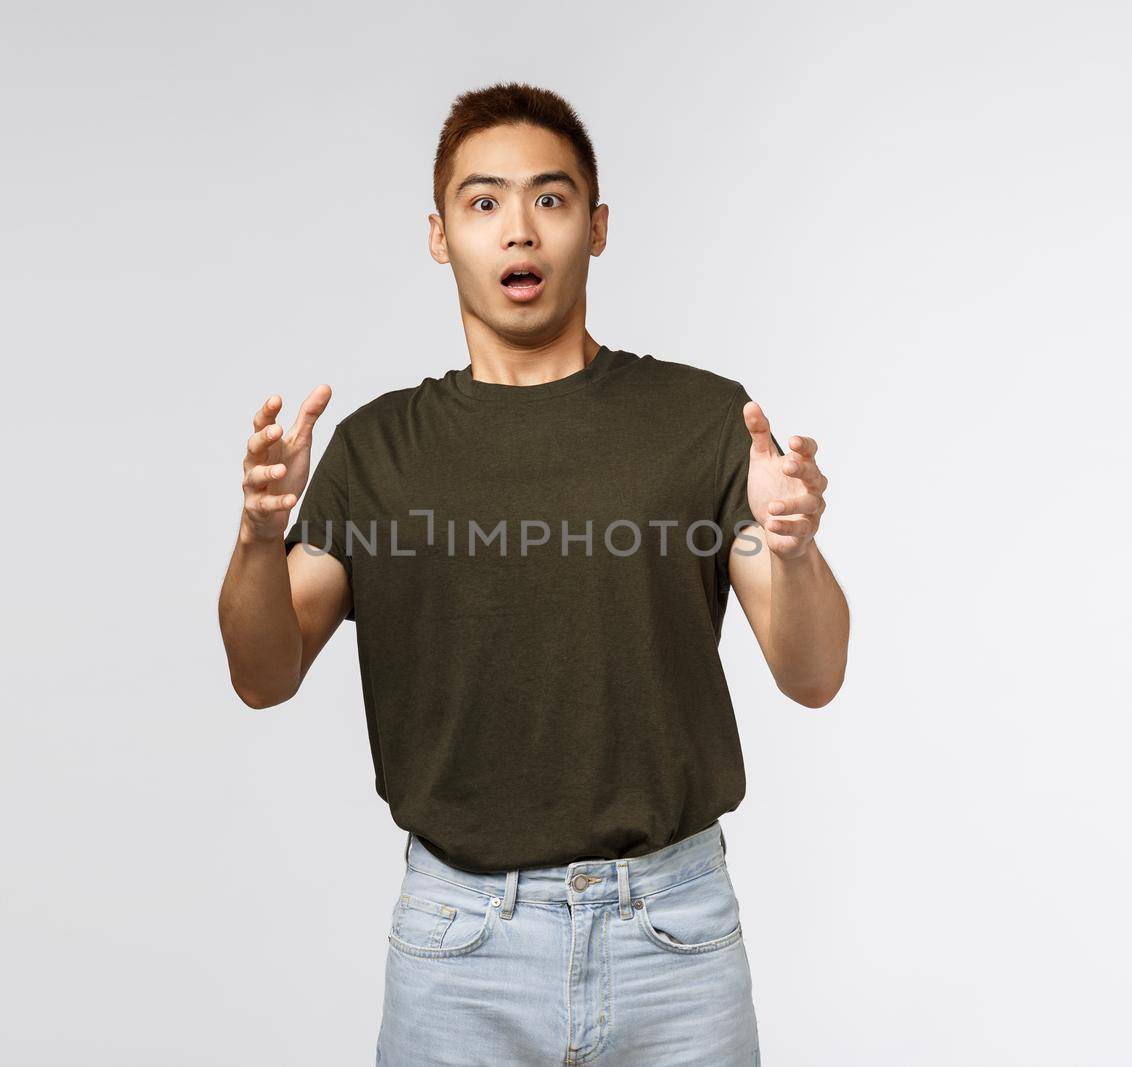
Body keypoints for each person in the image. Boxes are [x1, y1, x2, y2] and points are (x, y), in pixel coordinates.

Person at [217, 81, 849, 1066]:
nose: (519, 229)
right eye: (484, 202)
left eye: (550, 200)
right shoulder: (379, 447)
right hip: (459, 946)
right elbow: (263, 673)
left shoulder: (702, 421)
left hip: (672, 937)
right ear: (439, 235)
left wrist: (796, 548)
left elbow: (812, 673)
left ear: (595, 228)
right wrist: (260, 532)